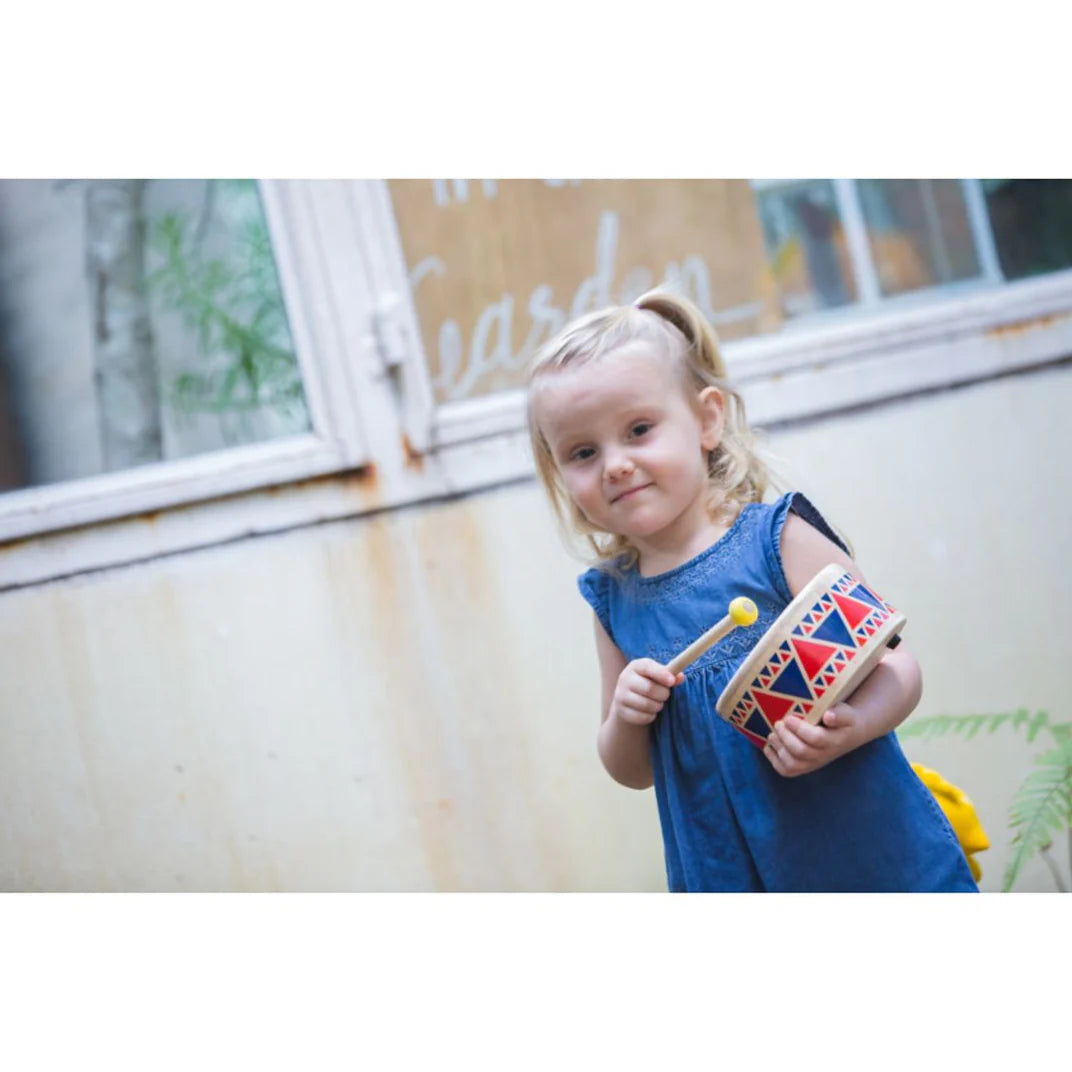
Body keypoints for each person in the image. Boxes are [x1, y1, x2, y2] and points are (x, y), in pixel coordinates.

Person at [525, 288, 977, 892]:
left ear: (707, 420)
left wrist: (858, 722)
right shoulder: (613, 602)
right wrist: (627, 718)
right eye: (583, 452)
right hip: (728, 874)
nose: (615, 464)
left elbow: (898, 667)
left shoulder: (777, 540)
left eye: (638, 429)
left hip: (867, 855)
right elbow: (631, 769)